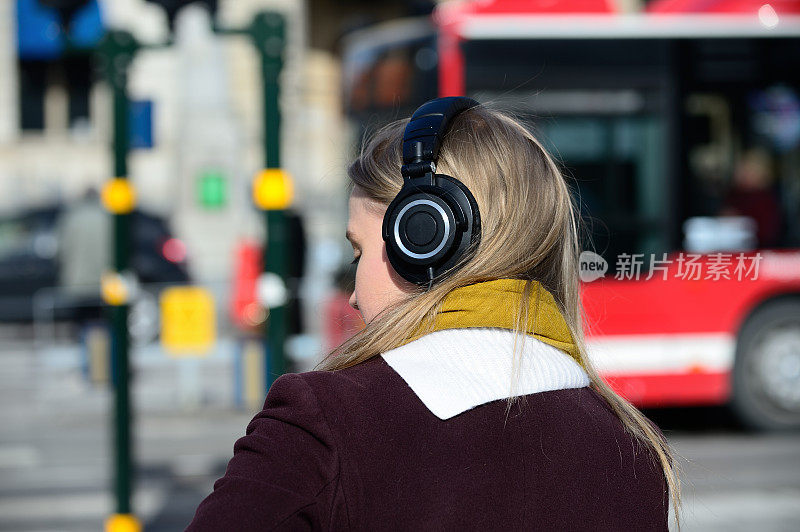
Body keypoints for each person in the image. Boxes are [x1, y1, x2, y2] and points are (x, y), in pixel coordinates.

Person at [187, 98, 678, 530]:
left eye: (358, 254)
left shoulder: (324, 425)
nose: (354, 295)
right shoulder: (631, 448)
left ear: (423, 239)